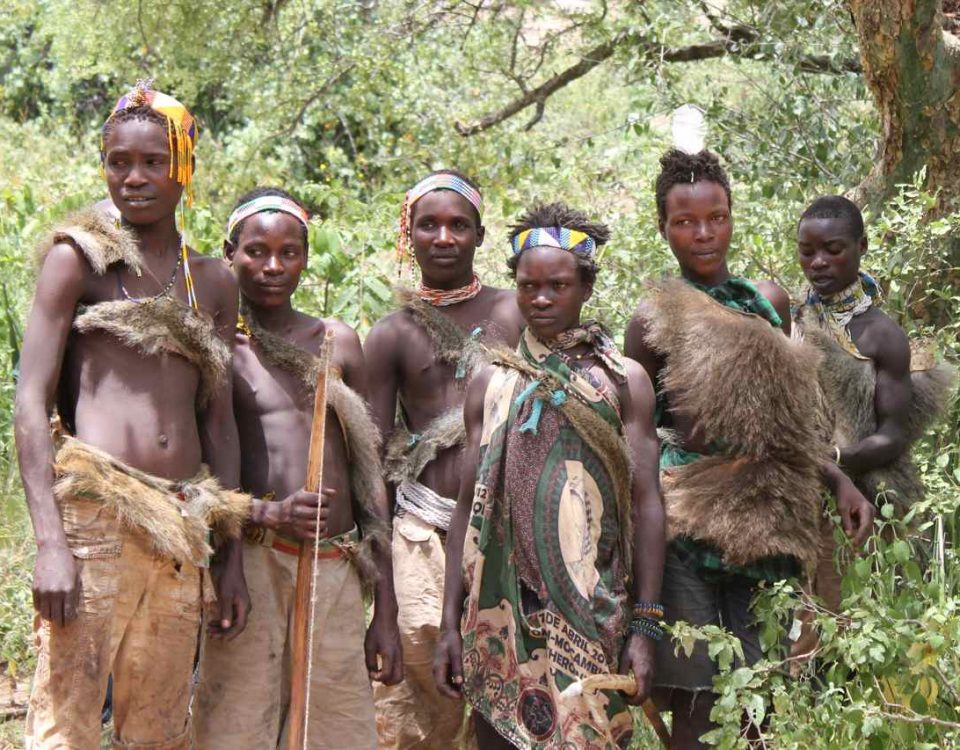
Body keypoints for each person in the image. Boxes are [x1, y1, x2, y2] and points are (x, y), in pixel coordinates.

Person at [15, 80, 249, 750]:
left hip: (179, 528)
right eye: (119, 161)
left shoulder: (212, 280)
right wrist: (51, 543)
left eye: (153, 162)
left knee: (157, 726)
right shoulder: (78, 260)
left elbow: (221, 423)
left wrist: (226, 560)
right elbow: (31, 401)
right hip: (96, 518)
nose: (134, 177)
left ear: (185, 168)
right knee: (66, 722)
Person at [623, 149, 875, 749]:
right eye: (685, 221)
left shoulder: (767, 303)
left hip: (767, 515)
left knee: (758, 691)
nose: (703, 233)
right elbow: (636, 433)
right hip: (687, 523)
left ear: (734, 215)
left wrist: (839, 482)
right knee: (697, 698)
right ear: (662, 228)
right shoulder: (652, 317)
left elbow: (785, 421)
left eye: (716, 216)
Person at [433, 203, 665, 749]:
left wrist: (647, 625)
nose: (540, 298)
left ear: (585, 287)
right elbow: (468, 507)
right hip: (498, 618)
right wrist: (450, 623)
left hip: (594, 612)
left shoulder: (621, 382)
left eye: (557, 285)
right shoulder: (491, 380)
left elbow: (647, 503)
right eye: (527, 285)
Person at [195, 187, 402, 749]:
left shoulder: (336, 342)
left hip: (333, 569)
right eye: (256, 252)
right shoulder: (222, 349)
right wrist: (230, 563)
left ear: (307, 259)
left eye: (289, 253)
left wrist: (384, 608)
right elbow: (217, 465)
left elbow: (371, 476)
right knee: (238, 724)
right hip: (256, 558)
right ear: (229, 253)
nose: (272, 267)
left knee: (332, 728)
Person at [365, 170, 524, 748]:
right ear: (409, 236)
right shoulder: (392, 335)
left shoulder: (519, 310)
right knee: (420, 706)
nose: (444, 237)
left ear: (481, 235)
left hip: (509, 533)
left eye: (459, 225)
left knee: (508, 695)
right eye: (428, 225)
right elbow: (375, 468)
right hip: (421, 535)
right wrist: (381, 605)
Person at [791, 195, 955, 656]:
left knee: (851, 634)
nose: (818, 262)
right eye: (807, 251)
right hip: (800, 494)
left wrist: (837, 460)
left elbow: (893, 434)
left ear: (861, 247)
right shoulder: (793, 322)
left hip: (863, 501)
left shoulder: (882, 335)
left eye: (833, 249)